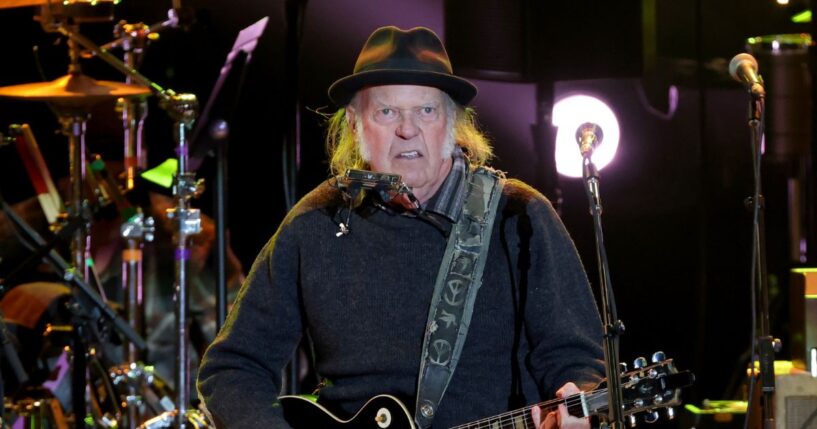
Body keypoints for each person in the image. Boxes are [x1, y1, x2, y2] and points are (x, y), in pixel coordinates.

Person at [197, 25, 605, 429]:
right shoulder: (318, 219)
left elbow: (576, 361)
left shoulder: (519, 216)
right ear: (355, 125)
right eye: (386, 112)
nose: (407, 129)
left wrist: (577, 406)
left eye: (425, 111)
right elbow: (232, 368)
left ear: (452, 122)